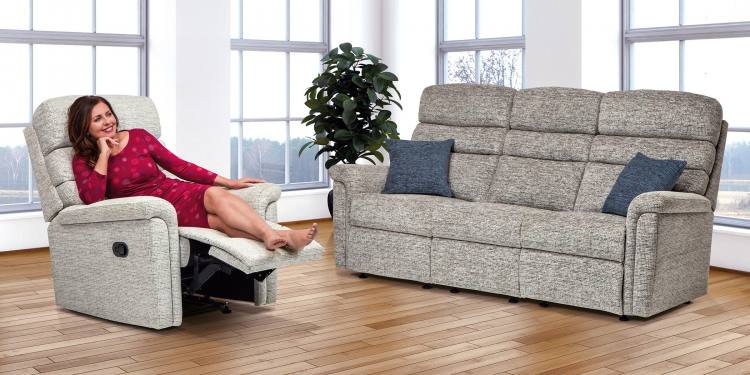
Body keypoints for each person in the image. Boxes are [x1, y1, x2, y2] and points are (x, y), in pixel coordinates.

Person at [67, 95, 317, 251]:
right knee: (218, 221)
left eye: (108, 114)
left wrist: (229, 181)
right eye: (98, 119)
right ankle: (278, 235)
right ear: (86, 128)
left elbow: (179, 166)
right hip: (152, 208)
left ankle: (273, 236)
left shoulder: (140, 136)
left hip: (174, 191)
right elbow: (93, 199)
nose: (108, 121)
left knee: (217, 199)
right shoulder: (84, 159)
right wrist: (103, 154)